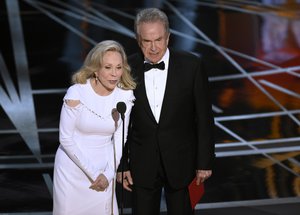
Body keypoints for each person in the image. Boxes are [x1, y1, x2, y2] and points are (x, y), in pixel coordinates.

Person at [117, 8, 215, 215]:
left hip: (182, 163)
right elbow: (121, 124)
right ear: (138, 40)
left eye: (158, 40)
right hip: (141, 165)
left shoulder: (192, 66)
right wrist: (122, 164)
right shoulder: (126, 68)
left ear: (168, 37)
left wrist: (204, 162)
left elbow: (204, 118)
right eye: (147, 41)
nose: (153, 48)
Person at [53, 40, 136, 215]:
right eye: (108, 67)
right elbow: (65, 139)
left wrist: (108, 174)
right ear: (96, 70)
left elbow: (121, 139)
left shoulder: (125, 95)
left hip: (106, 168)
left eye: (118, 67)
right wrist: (94, 173)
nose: (114, 74)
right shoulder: (77, 92)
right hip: (72, 170)